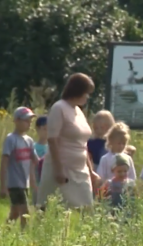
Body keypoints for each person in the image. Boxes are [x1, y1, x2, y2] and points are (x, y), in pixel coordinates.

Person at [36, 73, 101, 209]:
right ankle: (40, 230)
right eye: (86, 93)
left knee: (87, 207)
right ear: (77, 91)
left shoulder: (78, 111)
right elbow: (52, 140)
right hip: (61, 169)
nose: (87, 97)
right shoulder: (59, 108)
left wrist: (90, 171)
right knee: (49, 208)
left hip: (79, 170)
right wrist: (58, 169)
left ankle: (84, 231)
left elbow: (83, 145)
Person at [0, 107, 38, 228]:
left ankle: (4, 233)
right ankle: (23, 238)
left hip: (24, 183)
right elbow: (4, 162)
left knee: (15, 212)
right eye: (26, 121)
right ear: (16, 121)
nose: (29, 124)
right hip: (14, 183)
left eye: (30, 121)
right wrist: (3, 186)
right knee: (25, 212)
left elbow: (35, 160)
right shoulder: (11, 139)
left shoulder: (29, 141)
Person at [32, 115, 48, 205]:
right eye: (44, 129)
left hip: (47, 178)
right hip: (37, 178)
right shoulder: (33, 146)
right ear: (38, 129)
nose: (47, 132)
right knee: (37, 203)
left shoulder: (52, 147)